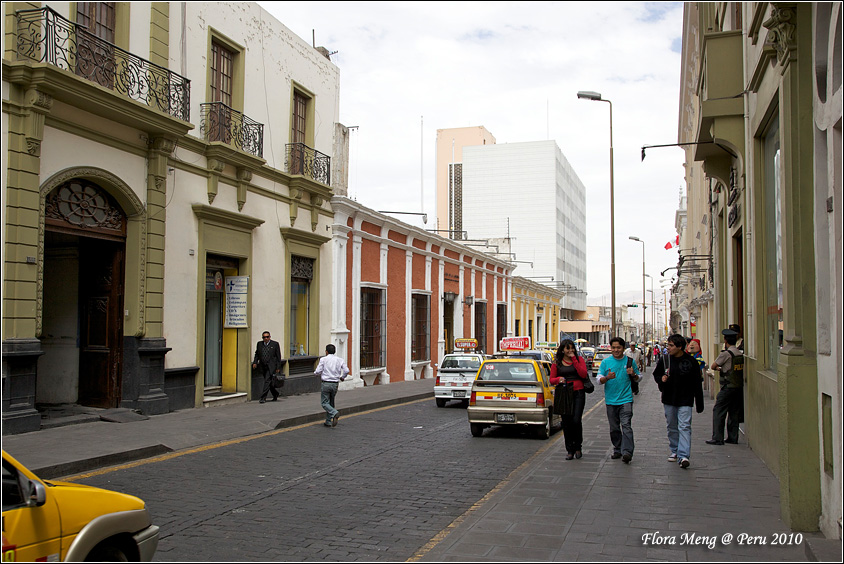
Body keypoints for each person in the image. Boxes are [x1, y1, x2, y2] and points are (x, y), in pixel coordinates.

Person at [653, 334, 705, 469]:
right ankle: (675, 450)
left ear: (680, 346)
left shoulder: (691, 361)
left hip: (685, 399)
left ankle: (684, 455)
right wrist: (661, 379)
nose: (668, 348)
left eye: (671, 345)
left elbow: (697, 382)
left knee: (685, 426)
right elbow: (656, 374)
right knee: (672, 426)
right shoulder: (665, 360)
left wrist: (699, 402)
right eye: (668, 345)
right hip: (669, 398)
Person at [597, 337, 640, 463]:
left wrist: (633, 374)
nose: (616, 350)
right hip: (610, 401)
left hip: (626, 399)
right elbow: (598, 380)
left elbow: (639, 378)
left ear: (623, 348)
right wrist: (607, 377)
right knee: (614, 427)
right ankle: (618, 448)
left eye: (619, 348)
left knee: (626, 425)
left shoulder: (630, 361)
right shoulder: (606, 362)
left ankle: (627, 452)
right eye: (614, 347)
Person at [550, 339, 589, 460]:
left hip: (578, 393)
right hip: (564, 393)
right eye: (568, 348)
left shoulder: (579, 360)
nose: (570, 350)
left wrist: (574, 360)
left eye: (572, 348)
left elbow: (583, 374)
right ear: (562, 350)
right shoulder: (557, 362)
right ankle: (570, 449)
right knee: (566, 422)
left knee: (576, 420)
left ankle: (578, 447)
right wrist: (559, 380)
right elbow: (551, 379)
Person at [706, 328, 744, 445]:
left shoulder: (726, 354)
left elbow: (713, 366)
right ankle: (733, 437)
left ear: (725, 340)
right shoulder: (739, 353)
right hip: (738, 386)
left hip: (727, 387)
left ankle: (718, 437)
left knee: (719, 411)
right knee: (734, 412)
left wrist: (719, 368)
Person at [314, 344, 350, 427]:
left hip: (326, 383)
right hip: (335, 384)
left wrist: (316, 374)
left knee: (324, 403)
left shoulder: (323, 359)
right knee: (331, 402)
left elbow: (318, 371)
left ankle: (334, 413)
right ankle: (328, 421)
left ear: (326, 351)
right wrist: (343, 377)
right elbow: (346, 370)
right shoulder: (339, 360)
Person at [252, 330, 282, 403]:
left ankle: (263, 398)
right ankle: (275, 394)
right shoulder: (259, 344)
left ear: (270, 337)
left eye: (267, 337)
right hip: (263, 366)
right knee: (269, 382)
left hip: (271, 366)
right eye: (264, 337)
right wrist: (255, 362)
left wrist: (278, 367)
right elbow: (257, 354)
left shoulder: (275, 344)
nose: (265, 338)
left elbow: (278, 357)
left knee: (267, 381)